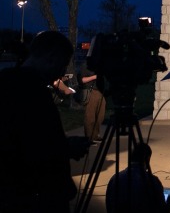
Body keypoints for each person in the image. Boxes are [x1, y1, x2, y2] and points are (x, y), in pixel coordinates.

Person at [0, 31, 80, 212]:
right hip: (36, 198)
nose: (61, 72)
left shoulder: (8, 79)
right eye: (63, 64)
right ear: (52, 57)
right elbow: (38, 146)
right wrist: (67, 149)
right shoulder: (32, 89)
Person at [106, 142, 165, 213]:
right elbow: (161, 207)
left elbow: (109, 206)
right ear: (148, 159)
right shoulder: (153, 181)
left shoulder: (115, 178)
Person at [78, 63, 106, 143]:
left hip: (101, 92)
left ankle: (95, 135)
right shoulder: (86, 65)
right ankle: (89, 138)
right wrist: (95, 77)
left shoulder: (102, 66)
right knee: (90, 117)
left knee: (100, 116)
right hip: (91, 92)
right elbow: (82, 80)